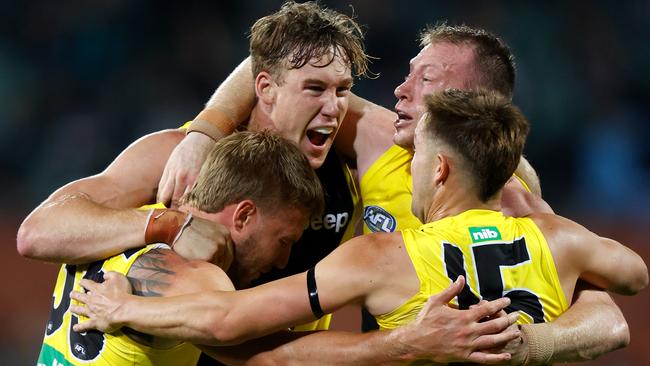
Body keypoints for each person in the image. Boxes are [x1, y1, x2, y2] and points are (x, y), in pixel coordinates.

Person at [18, 3, 522, 364]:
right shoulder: (180, 159)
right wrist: (167, 219)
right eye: (315, 90)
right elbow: (38, 232)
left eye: (344, 91)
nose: (334, 107)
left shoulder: (355, 176)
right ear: (265, 88)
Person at [159, 22, 632, 362]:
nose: (399, 91)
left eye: (425, 80)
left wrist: (526, 345)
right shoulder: (379, 137)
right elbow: (275, 66)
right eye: (408, 73)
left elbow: (608, 321)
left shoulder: (514, 196)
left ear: (470, 107)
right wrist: (204, 132)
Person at [71, 90, 649, 366]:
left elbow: (229, 325)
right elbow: (633, 276)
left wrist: (126, 310)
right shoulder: (561, 239)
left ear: (440, 168)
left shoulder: (382, 256)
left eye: (415, 154)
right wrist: (539, 334)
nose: (411, 165)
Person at [35, 131, 324, 365]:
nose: (284, 260)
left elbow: (37, 227)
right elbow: (275, 358)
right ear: (244, 215)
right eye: (284, 241)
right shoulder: (196, 277)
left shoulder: (115, 224)